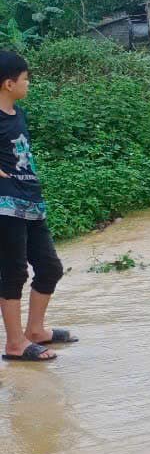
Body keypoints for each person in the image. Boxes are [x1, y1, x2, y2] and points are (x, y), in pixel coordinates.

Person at [1, 51, 73, 362]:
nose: (28, 84)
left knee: (50, 267)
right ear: (8, 83)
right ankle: (15, 344)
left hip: (31, 200)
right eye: (25, 79)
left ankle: (35, 331)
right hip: (5, 204)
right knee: (13, 272)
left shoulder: (18, 115)